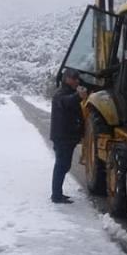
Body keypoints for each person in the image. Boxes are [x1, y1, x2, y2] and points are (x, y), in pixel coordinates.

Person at [50, 68, 88, 204]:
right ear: (66, 79)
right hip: (62, 137)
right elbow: (66, 102)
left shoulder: (69, 92)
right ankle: (56, 195)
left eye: (78, 79)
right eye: (74, 78)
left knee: (64, 165)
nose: (77, 81)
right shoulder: (61, 94)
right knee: (61, 165)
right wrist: (79, 96)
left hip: (67, 137)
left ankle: (58, 193)